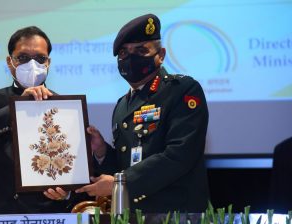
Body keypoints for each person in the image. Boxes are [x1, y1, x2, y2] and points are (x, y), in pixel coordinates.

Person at [75, 13, 210, 213]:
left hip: (176, 218)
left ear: (161, 55)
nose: (130, 58)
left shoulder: (182, 90)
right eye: (123, 52)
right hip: (134, 220)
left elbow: (180, 154)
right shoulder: (122, 105)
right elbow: (127, 162)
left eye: (141, 50)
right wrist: (102, 151)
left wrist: (121, 183)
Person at [0, 26, 73, 217]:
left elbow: (73, 164)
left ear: (48, 62)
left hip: (42, 214)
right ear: (9, 61)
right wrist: (16, 106)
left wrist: (66, 190)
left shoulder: (65, 107)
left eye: (40, 58)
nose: (32, 64)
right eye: (23, 58)